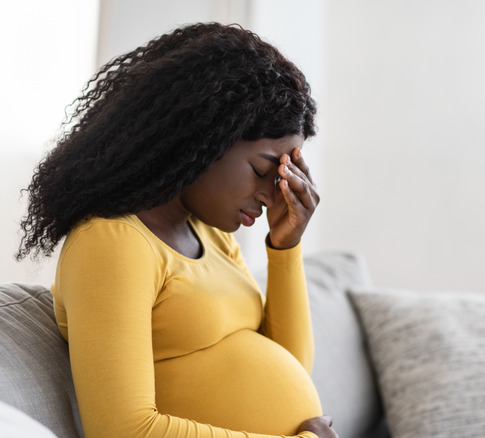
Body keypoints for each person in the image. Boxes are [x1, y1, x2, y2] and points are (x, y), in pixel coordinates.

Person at [17, 22, 338, 438]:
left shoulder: (214, 236)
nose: (271, 193)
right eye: (262, 169)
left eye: (282, 175)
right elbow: (122, 429)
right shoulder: (112, 243)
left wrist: (285, 245)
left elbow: (293, 366)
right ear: (201, 138)